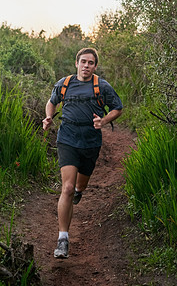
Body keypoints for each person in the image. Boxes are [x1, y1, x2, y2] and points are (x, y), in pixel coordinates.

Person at [42, 47, 123, 259]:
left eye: (91, 63)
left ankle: (80, 189)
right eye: (83, 62)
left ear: (95, 66)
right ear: (76, 63)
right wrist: (48, 117)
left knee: (80, 185)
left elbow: (118, 108)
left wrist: (104, 121)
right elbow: (52, 102)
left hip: (90, 141)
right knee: (66, 187)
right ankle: (63, 239)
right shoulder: (64, 84)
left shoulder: (102, 86)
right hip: (67, 137)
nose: (86, 66)